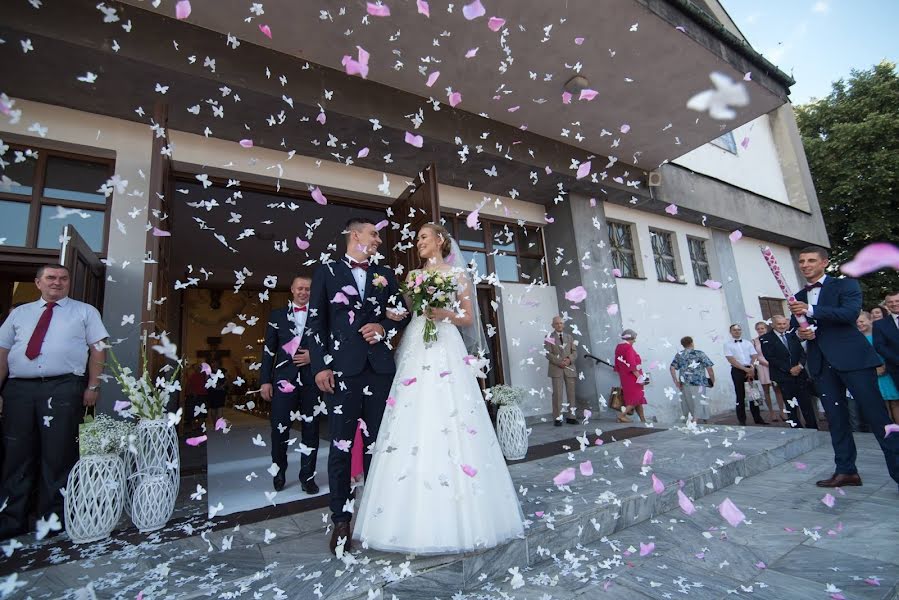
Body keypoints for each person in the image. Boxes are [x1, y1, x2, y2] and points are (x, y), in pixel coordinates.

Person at [353, 223, 523, 555]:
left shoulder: (456, 274)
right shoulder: (414, 276)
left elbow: (468, 317)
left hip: (444, 342)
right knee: (410, 412)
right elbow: (407, 314)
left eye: (424, 237)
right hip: (416, 343)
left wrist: (443, 313)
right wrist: (396, 313)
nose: (418, 243)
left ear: (440, 241)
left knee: (450, 412)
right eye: (417, 238)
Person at [307, 217, 411, 555]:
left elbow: (402, 312)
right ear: (356, 235)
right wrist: (321, 364)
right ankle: (341, 519)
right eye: (374, 234)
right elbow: (315, 322)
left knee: (378, 446)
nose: (378, 240)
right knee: (340, 447)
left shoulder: (387, 274)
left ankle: (377, 516)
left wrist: (382, 327)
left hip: (380, 371)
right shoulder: (326, 272)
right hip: (343, 372)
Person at [0, 264, 109, 540]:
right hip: (20, 389)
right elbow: (3, 352)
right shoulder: (19, 314)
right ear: (38, 283)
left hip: (64, 387)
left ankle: (53, 519)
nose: (57, 283)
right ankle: (12, 519)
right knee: (16, 455)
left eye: (63, 278)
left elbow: (98, 349)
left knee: (58, 455)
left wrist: (93, 385)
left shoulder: (85, 312)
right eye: (51, 278)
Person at [789, 246, 899, 490]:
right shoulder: (797, 296)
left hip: (854, 361)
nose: (805, 265)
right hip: (821, 364)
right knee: (837, 420)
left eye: (810, 260)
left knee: (877, 417)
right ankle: (846, 471)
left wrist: (811, 310)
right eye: (801, 261)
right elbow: (794, 330)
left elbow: (849, 315)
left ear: (824, 263)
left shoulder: (845, 286)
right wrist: (801, 332)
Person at [259, 274, 321, 494]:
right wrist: (265, 381)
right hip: (283, 379)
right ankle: (279, 473)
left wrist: (313, 356)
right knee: (279, 429)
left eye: (308, 289)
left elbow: (330, 343)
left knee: (311, 429)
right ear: (292, 290)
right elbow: (268, 351)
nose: (304, 292)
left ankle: (308, 477)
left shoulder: (320, 315)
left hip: (312, 381)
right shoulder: (277, 315)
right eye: (300, 288)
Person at [759, 315, 817, 429]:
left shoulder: (792, 335)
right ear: (773, 325)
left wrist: (799, 366)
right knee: (791, 405)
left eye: (784, 324)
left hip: (800, 375)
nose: (782, 326)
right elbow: (770, 357)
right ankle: (796, 429)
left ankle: (813, 427)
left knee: (806, 403)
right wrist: (789, 369)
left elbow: (802, 352)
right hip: (784, 377)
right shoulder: (766, 338)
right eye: (779, 324)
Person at [723, 323, 767, 426]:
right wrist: (744, 369)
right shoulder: (727, 345)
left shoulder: (748, 343)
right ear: (731, 332)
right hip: (738, 370)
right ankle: (742, 420)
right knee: (740, 395)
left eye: (739, 330)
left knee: (754, 395)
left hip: (750, 369)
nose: (737, 331)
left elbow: (754, 356)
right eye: (734, 330)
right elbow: (731, 359)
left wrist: (751, 368)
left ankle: (758, 418)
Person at [669, 336, 715, 423]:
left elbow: (672, 368)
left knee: (688, 402)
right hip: (699, 381)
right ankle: (696, 420)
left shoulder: (679, 355)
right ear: (692, 343)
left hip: (685, 382)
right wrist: (712, 380)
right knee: (699, 400)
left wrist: (676, 381)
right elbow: (709, 369)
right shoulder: (700, 353)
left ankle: (693, 418)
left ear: (683, 345)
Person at [869, 294, 899, 424]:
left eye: (897, 301)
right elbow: (880, 346)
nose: (894, 304)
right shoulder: (880, 325)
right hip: (896, 368)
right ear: (886, 305)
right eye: (890, 302)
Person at [545, 315, 579, 425]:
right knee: (557, 394)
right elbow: (547, 353)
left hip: (569, 368)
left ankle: (571, 417)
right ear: (553, 325)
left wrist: (569, 360)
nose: (559, 325)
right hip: (556, 369)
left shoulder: (569, 337)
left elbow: (575, 352)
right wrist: (559, 362)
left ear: (563, 325)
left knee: (571, 393)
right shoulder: (549, 336)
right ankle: (557, 418)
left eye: (561, 323)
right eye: (557, 323)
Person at [752, 321, 785, 421]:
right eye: (758, 329)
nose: (761, 330)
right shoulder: (754, 341)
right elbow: (754, 356)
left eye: (762, 328)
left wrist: (774, 363)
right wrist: (764, 363)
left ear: (766, 329)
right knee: (766, 391)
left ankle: (782, 412)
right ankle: (771, 412)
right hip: (762, 367)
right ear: (756, 330)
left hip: (774, 366)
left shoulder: (772, 338)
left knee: (778, 390)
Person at [613, 329, 648, 424]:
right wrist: (639, 377)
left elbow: (617, 364)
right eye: (634, 339)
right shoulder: (628, 348)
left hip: (625, 377)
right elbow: (632, 365)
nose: (635, 341)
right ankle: (621, 415)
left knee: (638, 399)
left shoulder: (619, 347)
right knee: (636, 398)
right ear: (630, 338)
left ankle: (643, 419)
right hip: (633, 377)